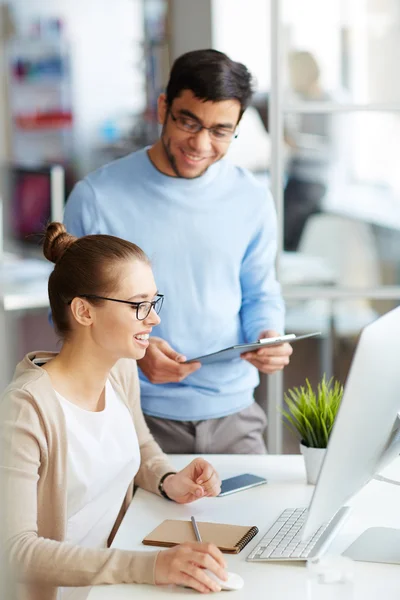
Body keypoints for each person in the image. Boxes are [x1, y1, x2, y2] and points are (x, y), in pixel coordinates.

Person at [64, 49, 293, 455]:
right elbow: (67, 312)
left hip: (236, 415)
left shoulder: (252, 198)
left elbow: (260, 293)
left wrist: (267, 334)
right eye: (189, 121)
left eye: (221, 130)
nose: (201, 144)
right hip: (134, 415)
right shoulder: (97, 198)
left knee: (257, 521)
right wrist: (130, 356)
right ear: (163, 107)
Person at [0, 222, 228, 600]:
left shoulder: (119, 368)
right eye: (139, 305)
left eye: (154, 302)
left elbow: (139, 446)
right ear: (84, 312)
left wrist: (168, 478)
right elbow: (15, 550)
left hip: (116, 585)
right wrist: (149, 567)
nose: (153, 319)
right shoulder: (26, 408)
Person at [284, 51, 338, 251]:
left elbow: (331, 151)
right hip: (294, 179)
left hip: (312, 183)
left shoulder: (329, 104)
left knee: (287, 240)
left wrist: (297, 146)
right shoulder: (299, 100)